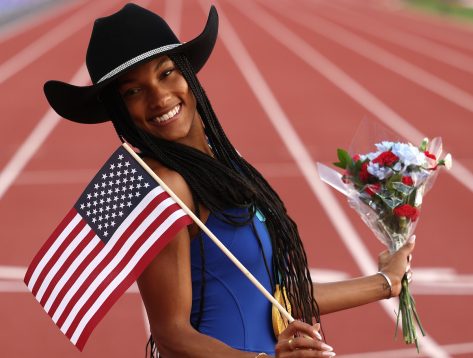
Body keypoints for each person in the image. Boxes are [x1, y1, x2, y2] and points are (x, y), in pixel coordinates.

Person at [44, 3, 415, 357]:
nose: (159, 98)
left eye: (166, 72)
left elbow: (272, 297)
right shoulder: (166, 191)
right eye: (133, 91)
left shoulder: (227, 164)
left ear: (187, 72)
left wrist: (385, 283)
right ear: (119, 111)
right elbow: (171, 335)